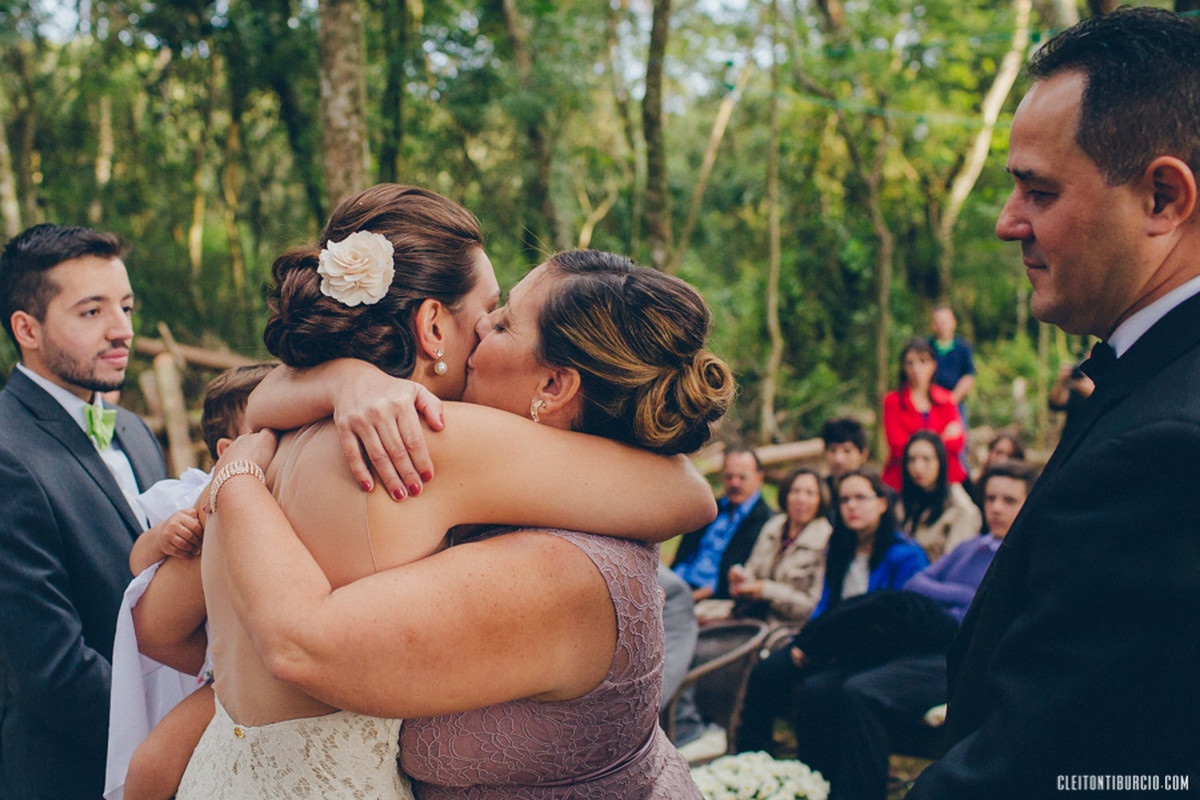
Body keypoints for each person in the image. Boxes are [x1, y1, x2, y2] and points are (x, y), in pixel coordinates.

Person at [178, 244, 730, 794]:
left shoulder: (562, 568)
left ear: (554, 386)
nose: (483, 325)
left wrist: (238, 476)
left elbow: (299, 645)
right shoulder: (542, 478)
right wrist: (346, 381)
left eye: (506, 321)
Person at [909, 9, 1200, 797]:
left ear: (1163, 198)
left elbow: (1057, 766)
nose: (1009, 225)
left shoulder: (1167, 449)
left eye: (1038, 191)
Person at [0, 223, 168, 799]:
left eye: (125, 306)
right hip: (69, 772)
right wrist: (172, 743)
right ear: (28, 328)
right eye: (92, 312)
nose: (123, 330)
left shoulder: (135, 431)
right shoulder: (5, 452)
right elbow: (50, 668)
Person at [768, 460, 1036, 800]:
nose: (996, 508)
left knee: (866, 679)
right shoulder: (973, 548)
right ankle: (819, 788)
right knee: (838, 681)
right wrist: (968, 598)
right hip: (930, 644)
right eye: (991, 498)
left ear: (1030, 503)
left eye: (1009, 501)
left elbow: (988, 608)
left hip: (970, 656)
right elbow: (917, 582)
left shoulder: (1026, 556)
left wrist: (957, 599)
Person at [105, 363, 276, 800]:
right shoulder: (196, 498)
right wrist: (164, 537)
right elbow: (137, 562)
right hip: (223, 671)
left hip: (276, 665)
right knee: (149, 766)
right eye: (270, 429)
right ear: (227, 449)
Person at [736, 469, 926, 755]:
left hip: (873, 654)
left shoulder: (906, 555)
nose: (851, 506)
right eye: (845, 499)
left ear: (882, 504)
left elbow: (897, 622)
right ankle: (751, 759)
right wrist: (807, 643)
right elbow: (824, 605)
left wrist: (820, 647)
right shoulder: (840, 546)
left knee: (817, 690)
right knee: (767, 671)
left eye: (860, 498)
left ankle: (815, 776)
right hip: (829, 641)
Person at [726, 468, 834, 625]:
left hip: (786, 627)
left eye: (810, 493)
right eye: (795, 491)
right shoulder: (774, 526)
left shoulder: (825, 540)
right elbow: (752, 569)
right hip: (750, 615)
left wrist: (766, 590)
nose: (801, 499)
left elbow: (813, 605)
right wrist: (741, 580)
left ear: (821, 500)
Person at [672, 446, 775, 601]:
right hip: (679, 584)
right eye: (729, 476)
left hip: (713, 598)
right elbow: (684, 555)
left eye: (742, 477)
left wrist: (691, 598)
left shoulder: (768, 522)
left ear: (759, 478)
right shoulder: (710, 509)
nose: (734, 483)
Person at [881, 338, 965, 490]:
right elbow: (898, 447)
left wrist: (916, 445)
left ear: (933, 365)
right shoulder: (893, 401)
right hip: (903, 480)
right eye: (910, 363)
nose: (916, 368)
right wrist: (942, 439)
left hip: (946, 479)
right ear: (903, 367)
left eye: (922, 361)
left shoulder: (946, 400)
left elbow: (958, 443)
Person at [897, 430, 981, 562]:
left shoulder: (961, 508)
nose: (918, 467)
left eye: (927, 459)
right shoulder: (907, 501)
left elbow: (954, 564)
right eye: (911, 459)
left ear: (940, 462)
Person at [928, 305, 975, 425]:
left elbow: (969, 375)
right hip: (930, 401)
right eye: (937, 322)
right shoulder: (926, 346)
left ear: (953, 322)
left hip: (956, 403)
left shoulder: (963, 347)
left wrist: (952, 399)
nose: (941, 326)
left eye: (944, 322)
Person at [820, 416, 870, 527]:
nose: (838, 459)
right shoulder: (818, 491)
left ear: (863, 455)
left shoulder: (874, 492)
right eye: (832, 450)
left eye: (847, 451)